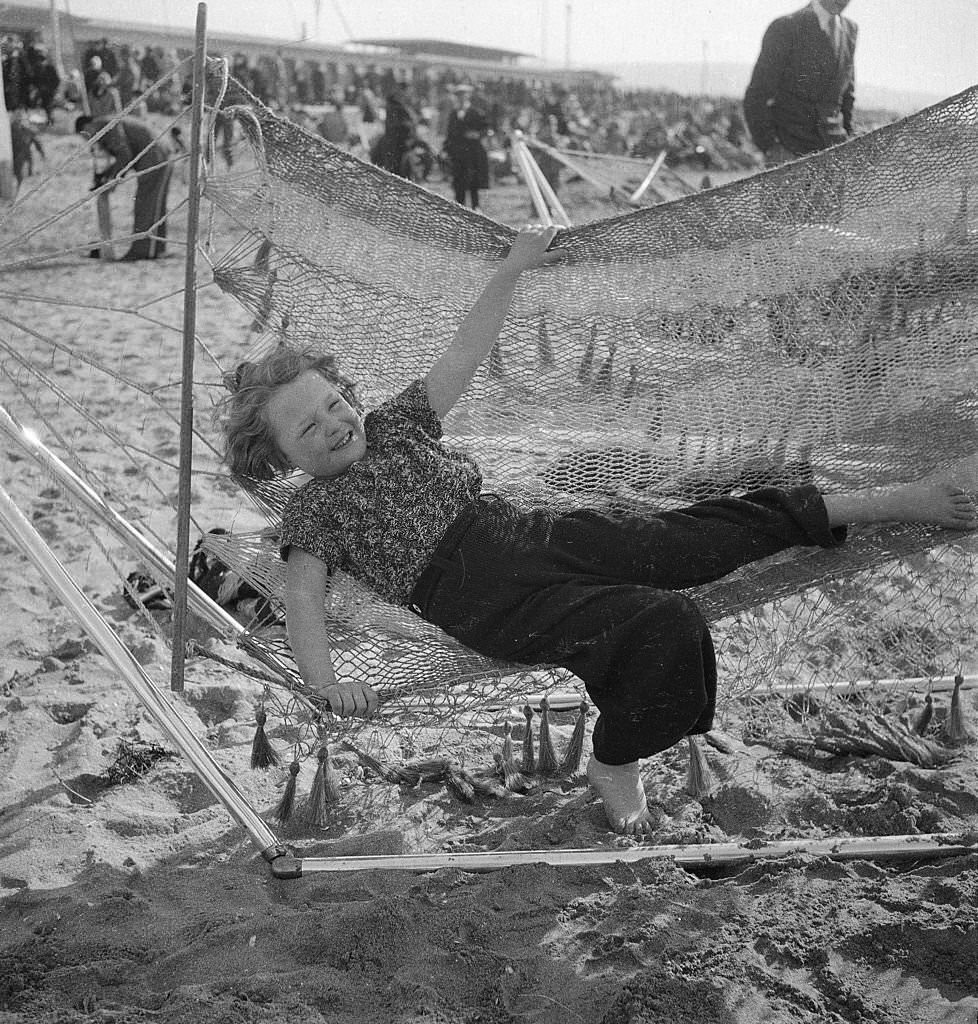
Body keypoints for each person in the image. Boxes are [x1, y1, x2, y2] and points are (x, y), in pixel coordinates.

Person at [221, 226, 977, 837]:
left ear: (348, 393)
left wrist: (514, 268)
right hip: (487, 603)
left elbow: (465, 351)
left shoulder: (398, 427)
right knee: (668, 622)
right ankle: (615, 758)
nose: (328, 426)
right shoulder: (315, 514)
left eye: (329, 404)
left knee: (685, 538)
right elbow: (303, 603)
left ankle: (879, 501)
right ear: (278, 457)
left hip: (532, 532)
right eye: (302, 428)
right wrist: (326, 685)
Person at [743, 0, 857, 167]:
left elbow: (847, 94)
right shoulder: (787, 26)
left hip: (835, 154)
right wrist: (771, 147)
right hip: (790, 153)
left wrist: (849, 138)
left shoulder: (850, 30)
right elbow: (756, 95)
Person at [76, 113, 172, 261]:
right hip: (159, 151)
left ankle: (142, 251)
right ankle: (156, 249)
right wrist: (107, 176)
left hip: (154, 155)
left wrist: (112, 181)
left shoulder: (105, 125)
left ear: (87, 127)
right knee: (155, 204)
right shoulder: (105, 123)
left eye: (86, 135)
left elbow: (124, 155)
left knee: (145, 203)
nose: (89, 140)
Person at [442, 84, 490, 209]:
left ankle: (475, 207)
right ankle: (460, 207)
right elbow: (449, 133)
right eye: (459, 96)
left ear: (468, 96)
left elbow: (486, 129)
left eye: (464, 95)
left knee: (473, 181)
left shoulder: (476, 113)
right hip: (457, 153)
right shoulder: (453, 113)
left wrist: (477, 134)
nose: (461, 98)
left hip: (473, 152)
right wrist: (446, 149)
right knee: (459, 181)